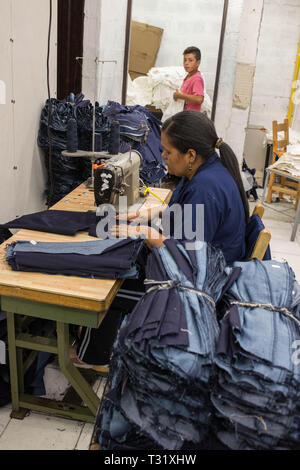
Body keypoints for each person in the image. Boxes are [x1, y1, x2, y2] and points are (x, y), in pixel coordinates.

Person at [111, 110, 249, 265]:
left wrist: (146, 233)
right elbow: (192, 216)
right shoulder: (205, 172)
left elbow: (187, 259)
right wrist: (159, 211)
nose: (163, 156)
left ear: (191, 155)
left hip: (209, 280)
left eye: (168, 151)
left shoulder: (203, 189)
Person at [173, 46, 204, 112]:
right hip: (184, 114)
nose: (186, 63)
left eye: (190, 60)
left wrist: (180, 95)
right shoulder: (188, 77)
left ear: (198, 63)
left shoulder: (197, 78)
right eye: (185, 60)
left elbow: (199, 99)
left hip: (191, 117)